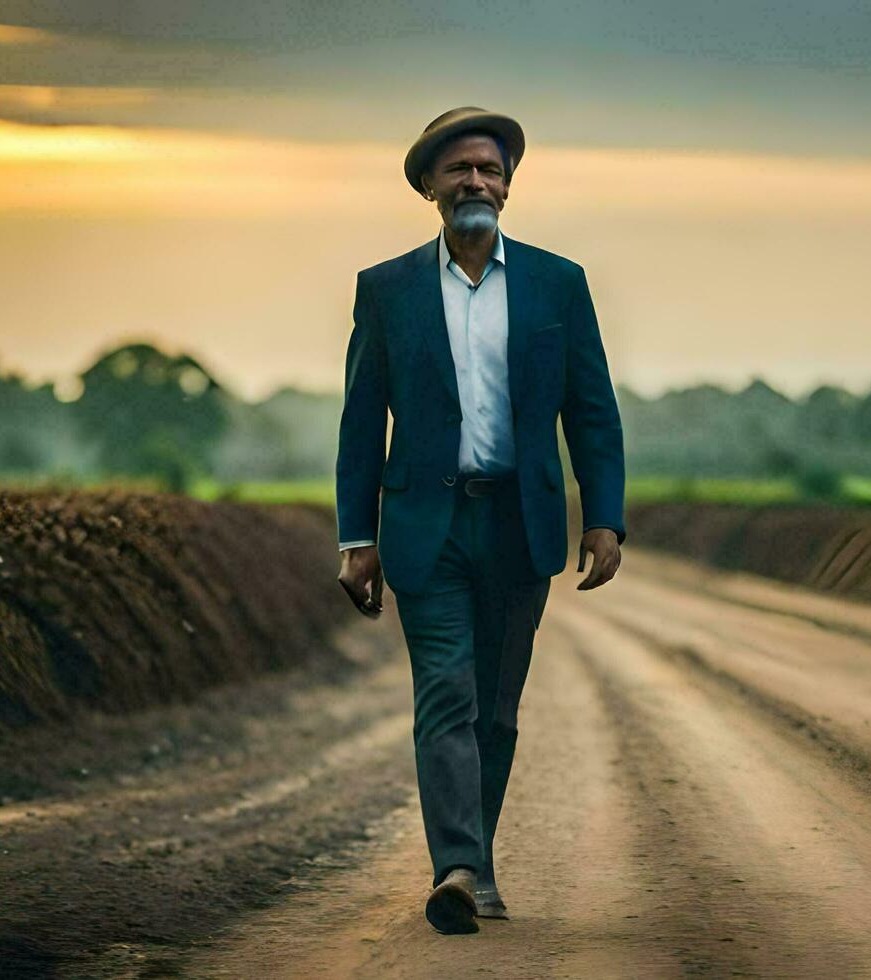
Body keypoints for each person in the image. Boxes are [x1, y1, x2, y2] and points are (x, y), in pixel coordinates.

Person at [334, 107, 627, 935]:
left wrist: (603, 516)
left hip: (519, 526)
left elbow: (592, 410)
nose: (476, 182)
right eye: (460, 169)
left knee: (496, 711)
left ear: (507, 187)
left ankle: (477, 865)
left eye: (490, 171)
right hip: (427, 529)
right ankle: (458, 866)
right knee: (446, 697)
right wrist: (357, 538)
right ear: (429, 185)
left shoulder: (556, 284)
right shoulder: (386, 290)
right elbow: (363, 424)